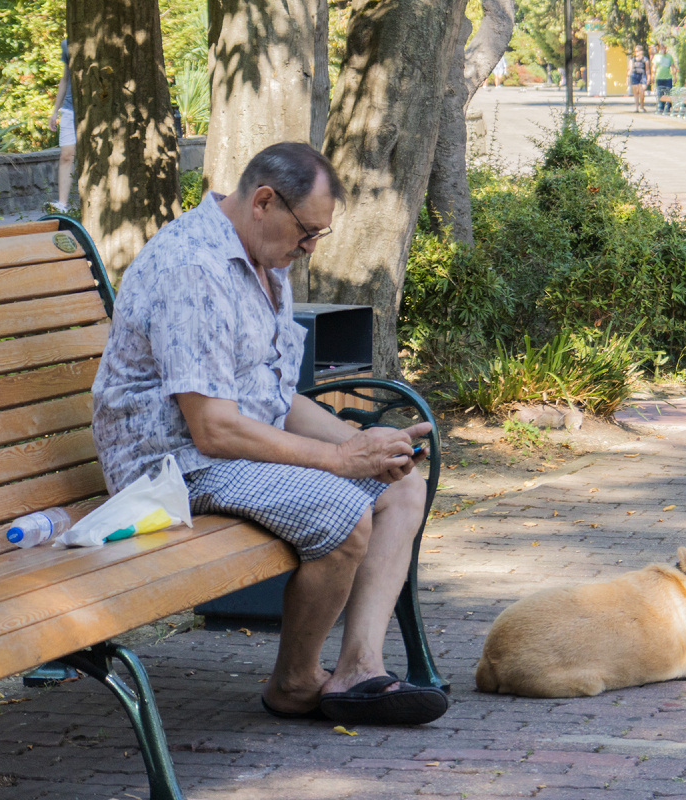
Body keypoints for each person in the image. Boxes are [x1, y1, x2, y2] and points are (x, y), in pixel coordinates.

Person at [91, 142, 449, 727]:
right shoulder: (194, 268)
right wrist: (339, 457)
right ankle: (295, 682)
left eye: (317, 236)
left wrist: (371, 448)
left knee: (400, 485)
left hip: (228, 449)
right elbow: (212, 428)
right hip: (167, 468)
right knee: (342, 512)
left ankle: (360, 667)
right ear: (263, 201)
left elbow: (275, 402)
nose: (308, 249)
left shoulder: (264, 263)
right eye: (307, 232)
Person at [47, 39, 76, 213]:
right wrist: (55, 111)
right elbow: (65, 78)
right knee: (66, 155)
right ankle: (62, 205)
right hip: (70, 108)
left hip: (95, 110)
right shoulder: (67, 44)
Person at [652, 44, 677, 114]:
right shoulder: (656, 56)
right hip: (659, 77)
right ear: (659, 49)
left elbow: (673, 67)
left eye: (664, 48)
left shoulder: (669, 57)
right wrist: (652, 76)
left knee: (668, 92)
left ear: (666, 48)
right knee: (660, 93)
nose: (663, 49)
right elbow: (654, 67)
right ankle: (661, 106)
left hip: (667, 77)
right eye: (661, 48)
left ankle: (668, 106)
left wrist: (675, 76)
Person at [628, 45, 650, 113]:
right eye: (635, 51)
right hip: (634, 75)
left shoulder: (645, 60)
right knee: (636, 92)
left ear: (641, 52)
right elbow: (629, 69)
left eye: (637, 51)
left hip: (642, 75)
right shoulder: (632, 59)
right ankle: (636, 107)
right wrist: (627, 77)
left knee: (642, 91)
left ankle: (642, 106)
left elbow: (647, 70)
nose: (636, 53)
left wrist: (648, 78)